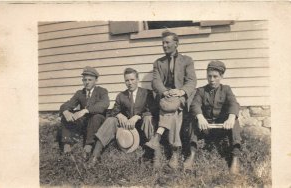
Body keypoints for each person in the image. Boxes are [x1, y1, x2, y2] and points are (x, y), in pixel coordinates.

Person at [145, 30, 197, 169]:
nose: (164, 45)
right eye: (163, 42)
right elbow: (155, 82)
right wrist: (165, 92)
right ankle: (175, 152)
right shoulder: (158, 63)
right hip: (165, 97)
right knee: (174, 111)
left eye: (167, 42)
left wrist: (181, 91)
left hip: (180, 96)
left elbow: (191, 81)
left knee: (173, 107)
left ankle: (158, 136)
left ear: (176, 43)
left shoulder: (187, 60)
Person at [184, 60, 241, 174]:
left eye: (215, 76)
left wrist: (230, 118)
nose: (212, 79)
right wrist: (200, 117)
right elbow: (195, 104)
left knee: (235, 121)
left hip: (222, 128)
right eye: (209, 76)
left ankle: (235, 157)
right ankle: (192, 153)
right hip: (206, 128)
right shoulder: (201, 90)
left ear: (221, 76)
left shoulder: (226, 89)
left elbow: (233, 103)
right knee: (193, 120)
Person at [89, 68, 156, 164]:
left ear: (137, 79)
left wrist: (137, 116)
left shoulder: (146, 93)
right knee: (111, 120)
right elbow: (113, 111)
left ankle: (150, 152)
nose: (130, 83)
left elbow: (152, 110)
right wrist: (119, 115)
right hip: (126, 130)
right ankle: (95, 155)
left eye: (132, 80)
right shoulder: (121, 95)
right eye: (127, 80)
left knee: (148, 118)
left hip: (141, 128)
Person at [59, 66, 109, 160]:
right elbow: (68, 104)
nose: (87, 82)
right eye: (85, 80)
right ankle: (67, 146)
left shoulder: (102, 91)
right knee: (66, 115)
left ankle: (88, 146)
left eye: (90, 80)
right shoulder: (80, 93)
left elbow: (104, 105)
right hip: (85, 122)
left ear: (96, 80)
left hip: (97, 122)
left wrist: (86, 110)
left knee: (96, 117)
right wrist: (65, 111)